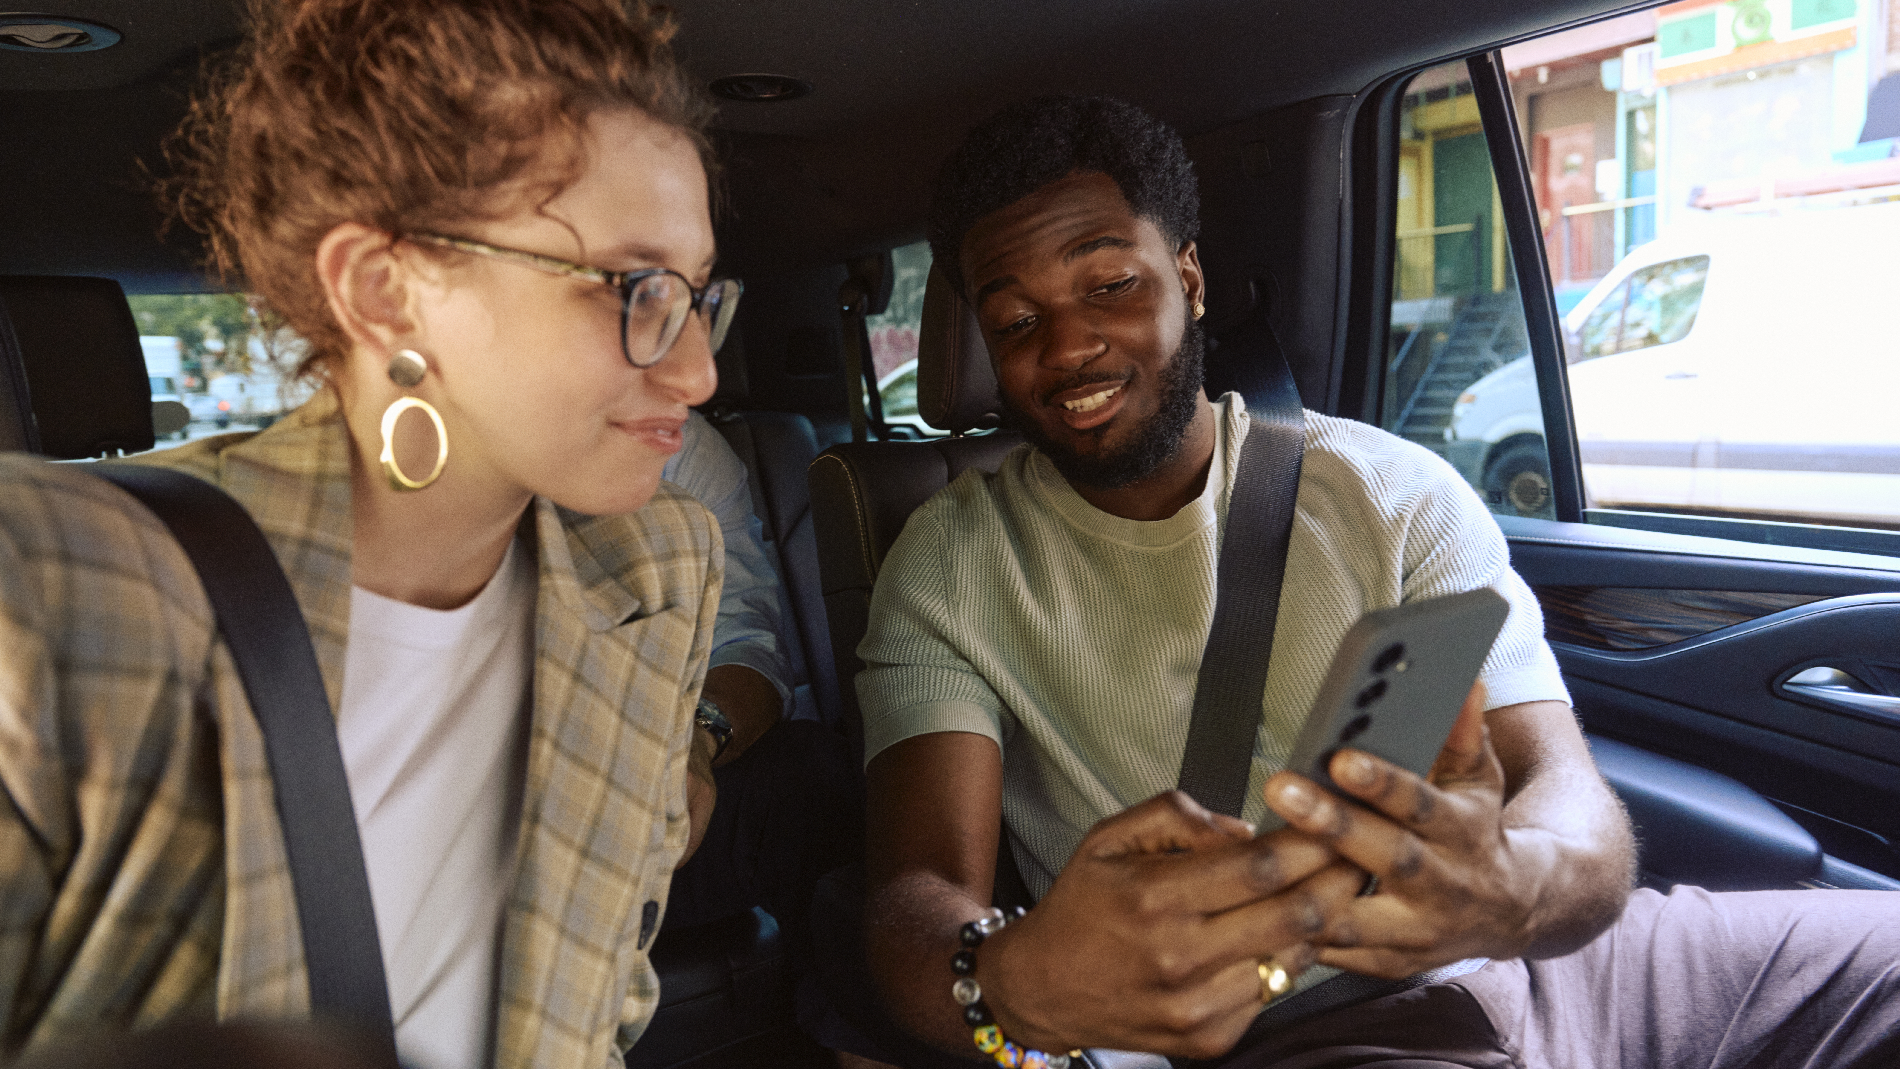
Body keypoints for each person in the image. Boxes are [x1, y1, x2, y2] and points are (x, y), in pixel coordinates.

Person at [849, 96, 1900, 1068]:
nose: (1071, 344)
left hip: (1560, 964)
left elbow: (1567, 795)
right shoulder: (949, 564)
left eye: (1110, 284)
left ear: (1190, 278)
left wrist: (1511, 883)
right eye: (1018, 320)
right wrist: (1012, 980)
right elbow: (915, 890)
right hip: (1307, 1029)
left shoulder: (1390, 491)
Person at [0, 1, 734, 1065]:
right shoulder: (60, 585)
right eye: (635, 288)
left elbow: (599, 994)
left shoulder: (659, 569)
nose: (697, 369)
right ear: (387, 293)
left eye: (700, 295)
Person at [661, 412, 861, 969]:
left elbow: (744, 644)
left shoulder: (676, 447)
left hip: (653, 807)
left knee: (809, 775)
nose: (697, 377)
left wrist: (697, 742)